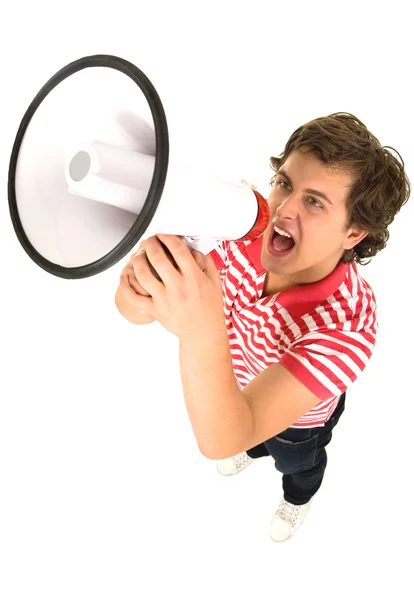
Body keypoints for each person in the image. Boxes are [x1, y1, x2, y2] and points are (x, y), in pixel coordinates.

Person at [114, 113, 411, 542]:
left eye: (315, 202)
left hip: (300, 423)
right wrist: (141, 288)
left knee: (294, 460)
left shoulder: (350, 327)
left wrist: (198, 334)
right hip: (236, 385)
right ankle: (253, 443)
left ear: (354, 233)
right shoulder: (236, 222)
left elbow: (219, 439)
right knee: (247, 433)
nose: (282, 210)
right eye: (285, 184)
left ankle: (298, 497)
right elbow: (132, 311)